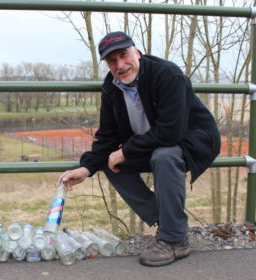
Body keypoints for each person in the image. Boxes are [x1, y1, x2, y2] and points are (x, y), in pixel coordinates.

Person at [58, 31, 221, 267]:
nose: (120, 65)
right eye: (112, 60)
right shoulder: (112, 86)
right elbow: (107, 136)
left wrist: (125, 151)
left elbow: (171, 132)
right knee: (109, 161)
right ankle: (168, 222)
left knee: (165, 155)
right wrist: (86, 168)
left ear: (136, 51)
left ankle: (174, 240)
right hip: (153, 143)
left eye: (124, 55)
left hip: (191, 140)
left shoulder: (167, 75)